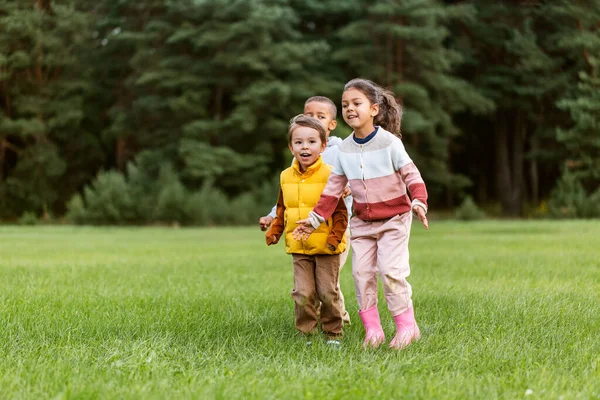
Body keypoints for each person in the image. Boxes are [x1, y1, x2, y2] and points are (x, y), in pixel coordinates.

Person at [294, 78, 429, 350]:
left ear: (374, 109)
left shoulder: (389, 143)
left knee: (391, 272)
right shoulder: (344, 148)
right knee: (361, 275)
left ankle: (407, 327)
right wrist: (313, 220)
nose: (349, 108)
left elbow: (411, 175)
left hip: (394, 220)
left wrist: (419, 201)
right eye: (345, 105)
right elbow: (332, 192)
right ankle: (374, 331)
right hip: (363, 223)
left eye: (357, 103)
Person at [259, 96, 352, 325]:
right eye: (309, 116)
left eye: (320, 117)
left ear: (331, 124)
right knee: (308, 285)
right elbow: (290, 195)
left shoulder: (341, 150)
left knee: (328, 282)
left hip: (334, 228)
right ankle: (314, 323)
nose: (314, 120)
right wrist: (273, 216)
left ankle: (339, 320)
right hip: (303, 229)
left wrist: (350, 185)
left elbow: (356, 173)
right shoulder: (300, 154)